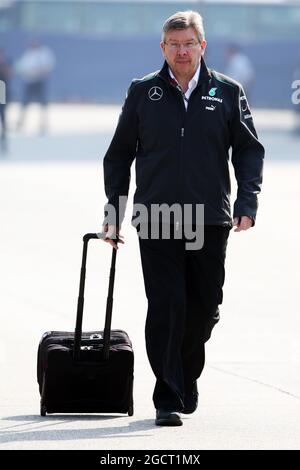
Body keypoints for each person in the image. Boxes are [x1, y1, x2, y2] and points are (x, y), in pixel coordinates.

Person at [101, 11, 264, 426]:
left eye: (189, 43)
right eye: (174, 45)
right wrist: (113, 213)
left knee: (204, 309)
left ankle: (184, 375)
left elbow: (248, 150)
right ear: (163, 48)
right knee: (166, 307)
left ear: (202, 45)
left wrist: (247, 202)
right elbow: (119, 154)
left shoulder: (227, 91)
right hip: (156, 216)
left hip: (209, 217)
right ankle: (167, 395)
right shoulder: (143, 91)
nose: (181, 51)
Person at [14, 41, 55, 134]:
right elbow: (21, 67)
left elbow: (48, 67)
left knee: (42, 104)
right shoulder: (28, 54)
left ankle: (43, 124)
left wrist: (38, 71)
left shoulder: (44, 53)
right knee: (25, 103)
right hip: (29, 81)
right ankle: (20, 123)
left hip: (39, 81)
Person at [0, 48, 12, 153]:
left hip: (2, 90)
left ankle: (4, 139)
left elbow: (9, 76)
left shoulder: (5, 64)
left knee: (2, 116)